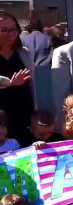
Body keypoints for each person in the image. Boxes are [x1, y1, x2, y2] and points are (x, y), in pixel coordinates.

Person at [0, 12, 36, 144]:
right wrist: (9, 83)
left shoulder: (24, 53)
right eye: (3, 30)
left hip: (23, 116)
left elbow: (33, 87)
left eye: (14, 29)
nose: (10, 34)